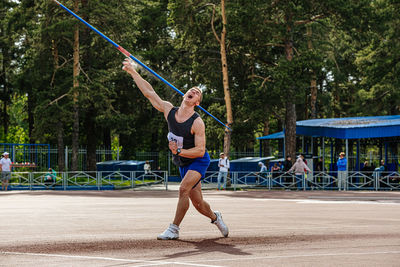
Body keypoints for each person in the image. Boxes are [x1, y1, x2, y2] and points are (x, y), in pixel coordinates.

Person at [122, 58, 228, 240]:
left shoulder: (197, 122)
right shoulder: (169, 110)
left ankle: (174, 229)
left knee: (183, 189)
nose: (193, 91)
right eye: (191, 90)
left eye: (197, 93)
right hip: (182, 162)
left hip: (197, 160)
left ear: (196, 102)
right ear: (184, 95)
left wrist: (178, 151)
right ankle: (215, 217)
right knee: (198, 203)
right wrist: (133, 72)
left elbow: (200, 151)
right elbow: (149, 92)